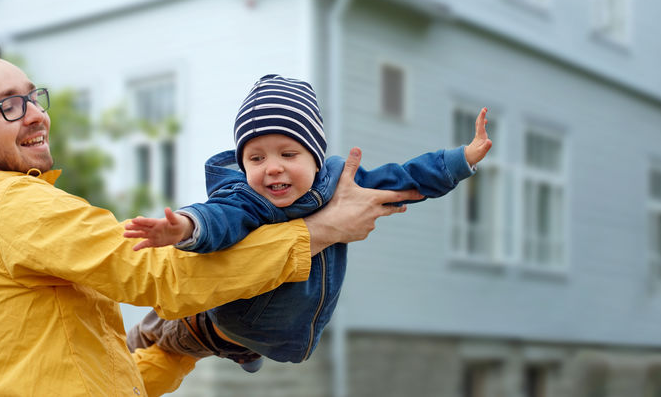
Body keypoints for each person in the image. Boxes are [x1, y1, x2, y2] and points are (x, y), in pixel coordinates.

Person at [0, 41, 421, 396]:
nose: (36, 114)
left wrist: (180, 347)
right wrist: (321, 230)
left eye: (32, 97)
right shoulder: (12, 207)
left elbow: (96, 380)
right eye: (7, 106)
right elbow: (163, 276)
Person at [123, 74, 492, 372]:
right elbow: (218, 216)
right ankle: (125, 347)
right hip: (205, 326)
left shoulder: (340, 187)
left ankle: (247, 354)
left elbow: (403, 178)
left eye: (288, 153)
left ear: (315, 158)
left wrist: (461, 160)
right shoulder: (248, 199)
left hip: (274, 331)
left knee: (247, 342)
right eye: (255, 158)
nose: (272, 167)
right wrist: (185, 227)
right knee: (149, 342)